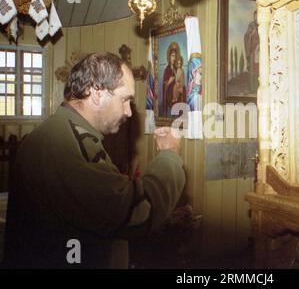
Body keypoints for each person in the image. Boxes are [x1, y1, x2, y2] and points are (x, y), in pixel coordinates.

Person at [3, 52, 185, 268]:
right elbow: (136, 212)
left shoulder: (65, 133)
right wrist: (170, 155)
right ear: (97, 93)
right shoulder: (59, 144)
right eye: (125, 99)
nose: (128, 112)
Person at [162, 43, 180, 116]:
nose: (174, 58)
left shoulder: (176, 69)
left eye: (175, 56)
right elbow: (164, 86)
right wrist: (169, 82)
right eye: (172, 56)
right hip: (169, 94)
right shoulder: (167, 69)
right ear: (169, 57)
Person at [244, 10, 259, 94]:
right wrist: (251, 34)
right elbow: (246, 36)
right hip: (253, 51)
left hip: (261, 51)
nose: (257, 17)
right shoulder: (251, 25)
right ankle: (252, 88)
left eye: (258, 16)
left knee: (260, 70)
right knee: (253, 70)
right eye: (255, 16)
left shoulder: (263, 24)